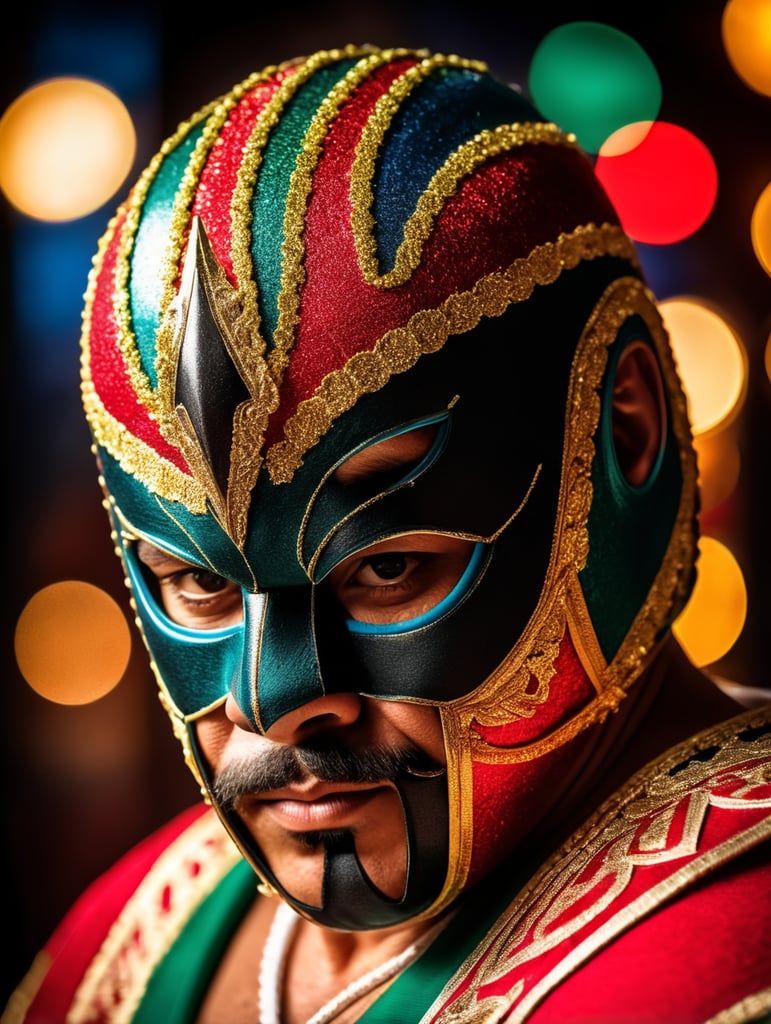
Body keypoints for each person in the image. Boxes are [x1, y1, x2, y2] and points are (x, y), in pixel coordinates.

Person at [4, 42, 771, 1024]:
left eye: (388, 567)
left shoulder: (724, 968)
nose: (277, 700)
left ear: (622, 434)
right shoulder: (134, 943)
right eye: (199, 585)